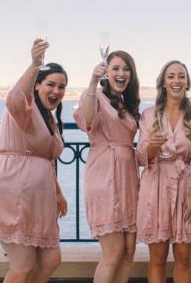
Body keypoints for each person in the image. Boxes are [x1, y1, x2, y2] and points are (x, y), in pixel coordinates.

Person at [0, 39, 68, 283]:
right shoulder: (23, 110)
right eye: (50, 84)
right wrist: (35, 64)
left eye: (62, 87)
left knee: (51, 260)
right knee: (23, 265)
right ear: (37, 86)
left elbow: (47, 159)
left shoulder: (49, 119)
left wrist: (57, 192)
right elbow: (16, 97)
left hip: (39, 197)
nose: (56, 91)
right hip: (12, 189)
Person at [73, 51, 141, 283]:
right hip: (104, 175)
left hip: (128, 178)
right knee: (113, 252)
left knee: (129, 250)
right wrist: (92, 81)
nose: (121, 73)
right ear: (107, 72)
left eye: (126, 69)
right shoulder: (95, 95)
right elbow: (88, 119)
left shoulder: (127, 102)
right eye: (116, 68)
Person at [135, 60, 191, 283]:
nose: (177, 80)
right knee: (158, 258)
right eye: (171, 76)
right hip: (155, 186)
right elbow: (140, 157)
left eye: (181, 76)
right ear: (163, 83)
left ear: (187, 82)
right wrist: (153, 145)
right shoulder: (149, 114)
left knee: (184, 258)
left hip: (185, 186)